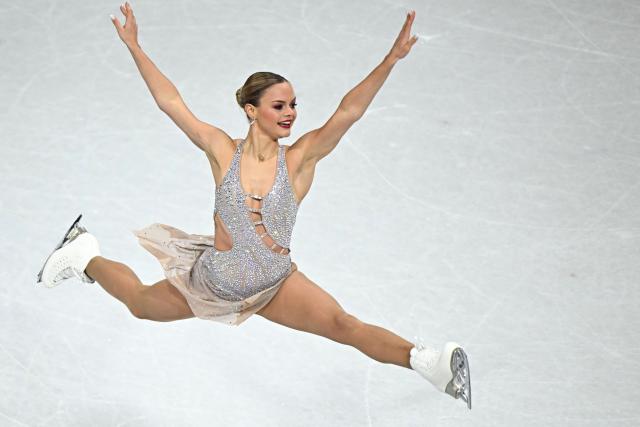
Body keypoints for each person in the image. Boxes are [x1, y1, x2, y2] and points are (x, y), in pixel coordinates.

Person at [36, 2, 470, 409]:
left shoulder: (299, 160)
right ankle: (85, 254)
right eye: (279, 105)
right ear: (251, 109)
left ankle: (429, 364)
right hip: (212, 286)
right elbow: (171, 102)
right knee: (141, 304)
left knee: (342, 324)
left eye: (294, 105)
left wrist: (390, 59)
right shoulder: (223, 152)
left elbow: (347, 112)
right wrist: (134, 46)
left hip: (273, 285)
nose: (291, 113)